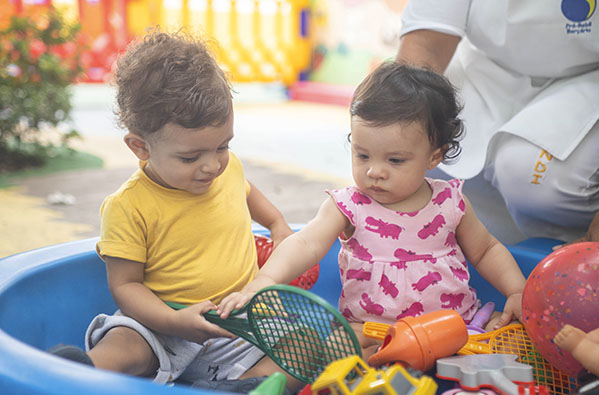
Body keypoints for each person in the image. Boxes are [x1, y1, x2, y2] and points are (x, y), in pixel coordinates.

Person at [218, 62, 527, 358]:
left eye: (395, 160)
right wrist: (266, 279)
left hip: (455, 329)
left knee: (513, 336)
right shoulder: (349, 206)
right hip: (375, 332)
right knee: (337, 347)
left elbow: (485, 250)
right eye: (363, 155)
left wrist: (517, 290)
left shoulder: (450, 201)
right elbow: (306, 242)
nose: (374, 171)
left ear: (434, 157)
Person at [48, 30, 301, 392]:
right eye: (190, 156)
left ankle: (241, 386)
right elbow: (126, 285)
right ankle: (77, 372)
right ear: (140, 147)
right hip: (161, 324)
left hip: (239, 324)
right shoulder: (129, 206)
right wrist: (173, 320)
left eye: (223, 146)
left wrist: (278, 228)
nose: (213, 165)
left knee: (304, 348)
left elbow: (258, 205)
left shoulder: (229, 170)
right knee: (125, 344)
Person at [395, 0, 599, 245]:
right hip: (484, 71)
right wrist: (394, 139)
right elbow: (426, 43)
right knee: (415, 154)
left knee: (529, 176)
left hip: (588, 77)